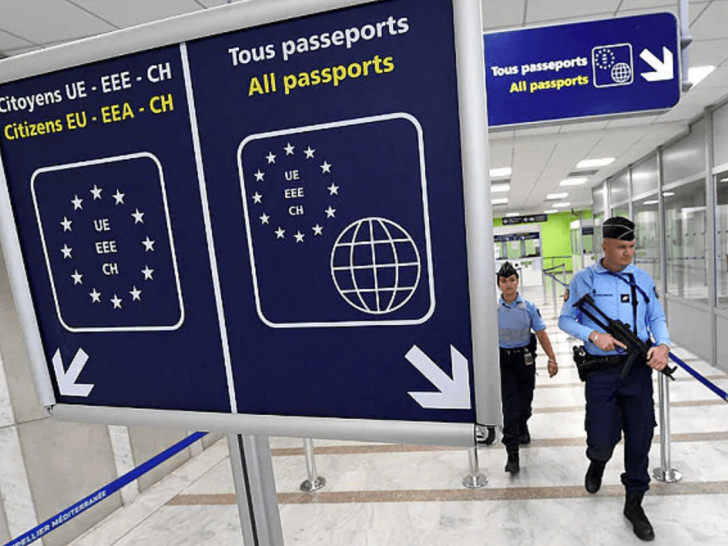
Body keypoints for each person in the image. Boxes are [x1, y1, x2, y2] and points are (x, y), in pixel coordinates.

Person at [558, 216, 670, 542]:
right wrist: (593, 334)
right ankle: (598, 460)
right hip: (601, 370)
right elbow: (566, 320)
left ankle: (634, 502)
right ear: (605, 245)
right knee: (601, 434)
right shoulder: (584, 280)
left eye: (632, 246)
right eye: (621, 247)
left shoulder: (642, 279)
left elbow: (656, 317)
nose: (628, 253)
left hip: (637, 370)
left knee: (640, 435)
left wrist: (662, 344)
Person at [496, 261, 558, 474]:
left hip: (525, 361)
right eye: (504, 281)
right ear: (499, 284)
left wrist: (552, 358)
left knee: (525, 402)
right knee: (510, 407)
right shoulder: (493, 310)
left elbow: (540, 333)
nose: (508, 285)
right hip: (504, 362)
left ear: (517, 281)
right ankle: (512, 453)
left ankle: (523, 423)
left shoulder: (529, 307)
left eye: (511, 280)